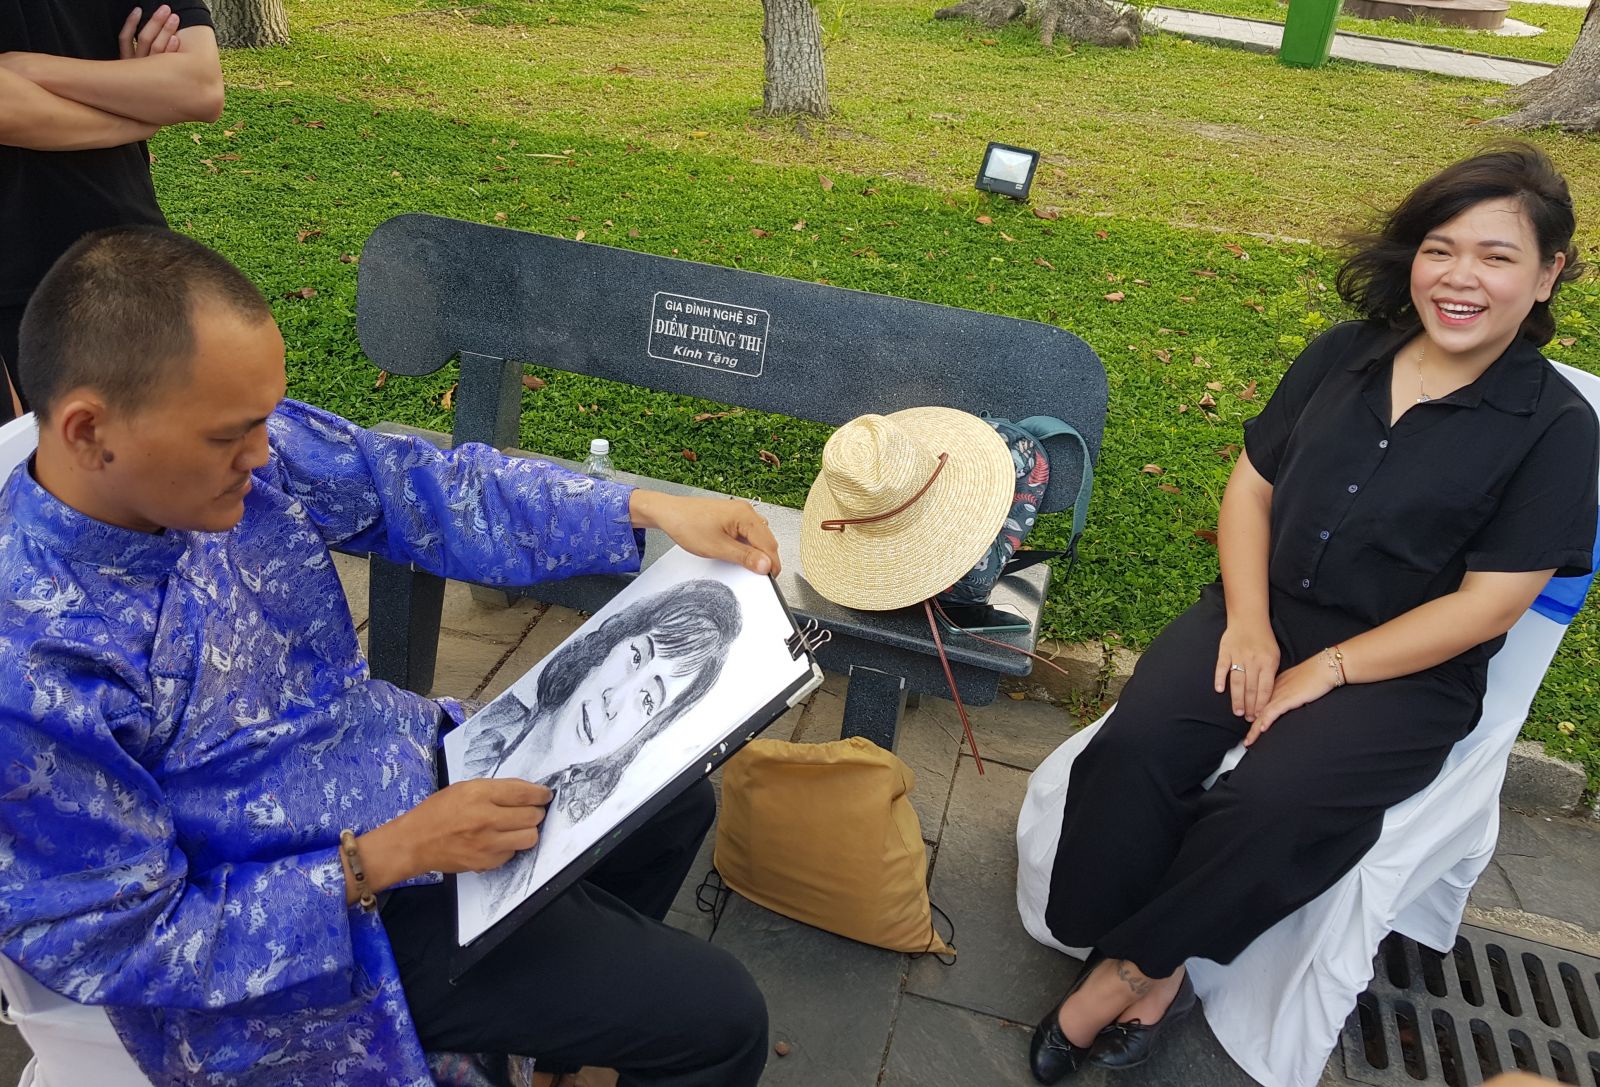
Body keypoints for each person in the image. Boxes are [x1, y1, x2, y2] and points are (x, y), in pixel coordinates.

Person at [0, 226, 776, 1087]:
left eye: (265, 421)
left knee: (670, 801)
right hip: (325, 940)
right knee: (722, 1020)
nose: (263, 455)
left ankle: (549, 1057)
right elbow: (126, 941)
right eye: (231, 436)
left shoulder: (225, 457)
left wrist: (643, 507)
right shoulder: (35, 671)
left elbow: (410, 484)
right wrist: (390, 854)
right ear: (89, 431)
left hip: (412, 774)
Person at [1027, 143, 1599, 1083]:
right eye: (1441, 249)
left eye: (1496, 256)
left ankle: (1136, 970)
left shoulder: (1557, 431)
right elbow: (1251, 488)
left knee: (1275, 803)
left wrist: (1327, 671)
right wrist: (1249, 623)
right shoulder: (1344, 354)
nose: (1460, 277)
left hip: (1405, 670)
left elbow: (1490, 605)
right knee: (1138, 745)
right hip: (1264, 607)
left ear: (1546, 275)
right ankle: (1105, 930)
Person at [460, 579, 742, 917]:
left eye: (648, 700)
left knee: (692, 801)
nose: (614, 700)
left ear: (648, 731)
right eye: (636, 657)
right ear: (609, 644)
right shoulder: (476, 744)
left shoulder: (570, 820)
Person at [0, 1, 224, 423]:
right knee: (32, 458)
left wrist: (26, 67)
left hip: (138, 261)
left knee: (170, 446)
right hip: (13, 284)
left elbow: (199, 88)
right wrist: (133, 111)